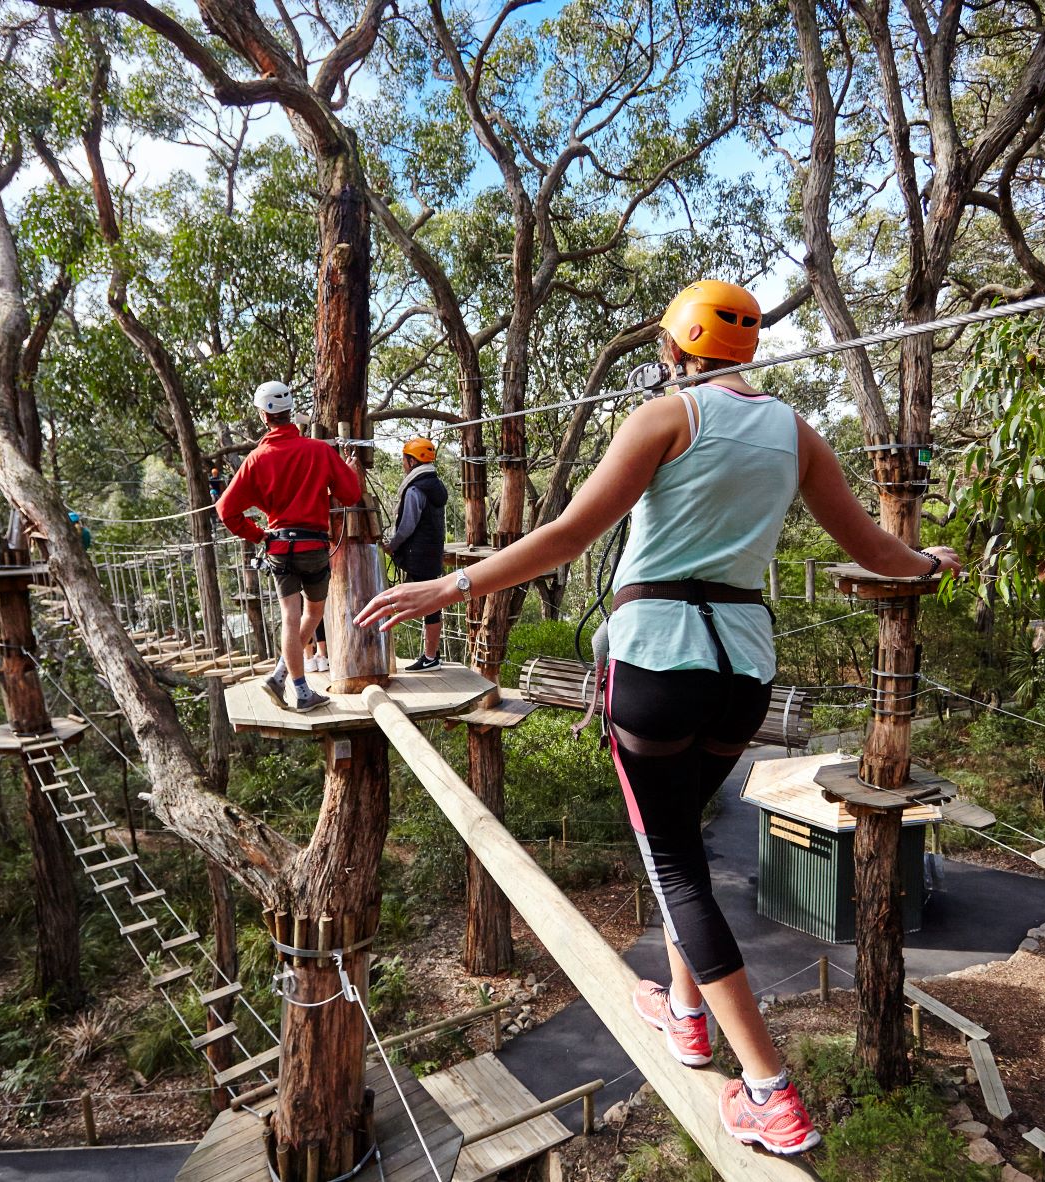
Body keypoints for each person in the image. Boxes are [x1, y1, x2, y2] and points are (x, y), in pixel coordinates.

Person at [358, 279, 960, 1155]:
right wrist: (927, 561)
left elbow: (568, 536)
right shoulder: (796, 433)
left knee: (675, 867)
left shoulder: (663, 416)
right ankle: (685, 1012)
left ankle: (769, 1091)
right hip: (741, 674)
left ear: (674, 349)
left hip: (654, 666)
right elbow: (874, 551)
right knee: (678, 843)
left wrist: (446, 587)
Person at [218, 380, 363, 712]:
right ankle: (293, 685)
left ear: (263, 415)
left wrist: (258, 535)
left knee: (289, 616)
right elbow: (351, 495)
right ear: (290, 412)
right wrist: (348, 471)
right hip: (313, 547)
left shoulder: (256, 459)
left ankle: (288, 681)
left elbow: (225, 510)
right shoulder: (319, 451)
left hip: (279, 548)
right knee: (313, 613)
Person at [383, 437, 449, 671]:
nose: (403, 463)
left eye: (404, 459)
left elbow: (407, 526)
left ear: (412, 461)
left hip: (418, 554)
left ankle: (430, 658)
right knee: (432, 603)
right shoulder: (435, 486)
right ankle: (432, 655)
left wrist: (392, 545)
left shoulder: (415, 489)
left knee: (424, 604)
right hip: (432, 552)